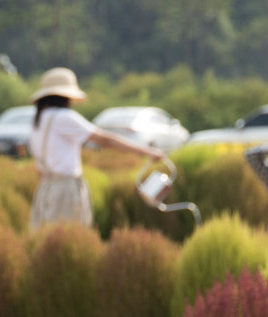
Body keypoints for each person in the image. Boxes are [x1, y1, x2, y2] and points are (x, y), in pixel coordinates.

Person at [26, 67, 166, 231]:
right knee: (71, 238)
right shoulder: (64, 117)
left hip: (45, 187)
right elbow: (104, 140)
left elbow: (39, 168)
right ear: (66, 96)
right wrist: (147, 152)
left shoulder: (38, 120)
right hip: (66, 188)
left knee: (43, 237)